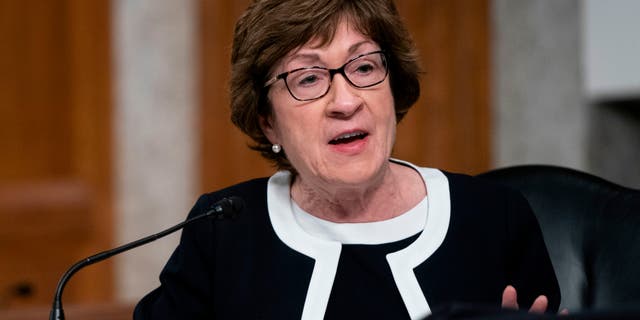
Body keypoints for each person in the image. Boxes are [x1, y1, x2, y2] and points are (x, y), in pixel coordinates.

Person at [134, 0, 560, 319]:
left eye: (363, 68)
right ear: (268, 123)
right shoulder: (222, 229)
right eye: (309, 77)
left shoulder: (494, 217)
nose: (345, 100)